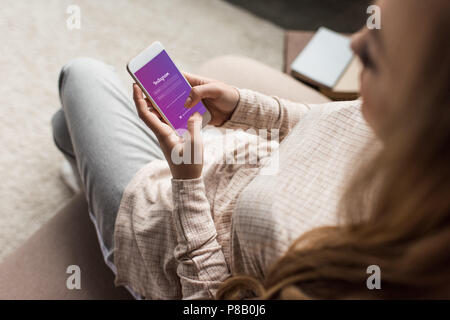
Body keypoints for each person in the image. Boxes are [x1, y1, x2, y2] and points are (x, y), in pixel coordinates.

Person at [0, 0, 447, 300]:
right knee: (70, 124)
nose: (353, 43)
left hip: (167, 234)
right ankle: (78, 153)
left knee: (80, 75)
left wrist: (187, 182)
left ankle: (97, 204)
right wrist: (240, 105)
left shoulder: (354, 271)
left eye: (374, 55)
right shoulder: (403, 133)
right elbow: (322, 124)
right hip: (224, 157)